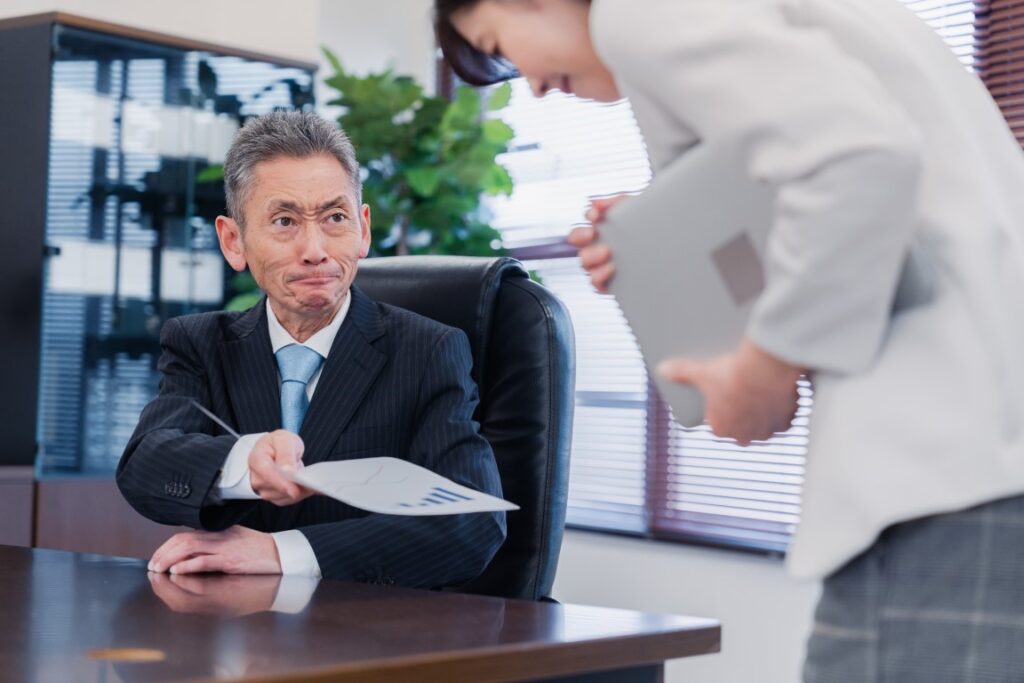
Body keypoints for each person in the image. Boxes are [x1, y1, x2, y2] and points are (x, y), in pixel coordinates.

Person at [435, 0, 1024, 680]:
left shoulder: (637, 15)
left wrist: (765, 363)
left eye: (498, 42)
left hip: (952, 463)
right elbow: (851, 187)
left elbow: (859, 156)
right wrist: (678, 234)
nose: (531, 84)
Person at [117, 111, 506, 588]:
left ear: (363, 229)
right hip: (234, 635)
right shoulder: (200, 344)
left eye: (335, 217)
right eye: (284, 221)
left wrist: (281, 552)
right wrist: (245, 463)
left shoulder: (429, 351)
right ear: (233, 241)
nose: (315, 249)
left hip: (368, 631)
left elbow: (472, 524)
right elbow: (146, 465)